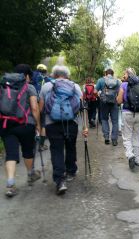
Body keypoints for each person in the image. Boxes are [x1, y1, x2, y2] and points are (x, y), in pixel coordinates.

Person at [39, 65, 88, 195]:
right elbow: (82, 107)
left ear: (54, 75)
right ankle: (71, 171)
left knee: (56, 151)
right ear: (67, 75)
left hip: (52, 124)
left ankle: (60, 181)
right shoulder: (75, 86)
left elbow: (41, 109)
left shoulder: (46, 86)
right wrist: (85, 126)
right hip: (71, 123)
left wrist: (40, 126)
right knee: (71, 146)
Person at [0, 64, 41, 197]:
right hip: (25, 124)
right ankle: (30, 174)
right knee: (28, 150)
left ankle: (11, 184)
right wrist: (38, 125)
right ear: (27, 75)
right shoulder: (29, 87)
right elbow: (34, 108)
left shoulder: (4, 87)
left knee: (11, 153)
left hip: (6, 124)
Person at [117, 68, 139, 170]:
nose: (123, 76)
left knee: (127, 137)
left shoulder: (123, 85)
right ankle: (138, 159)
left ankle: (130, 155)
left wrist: (118, 98)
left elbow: (119, 101)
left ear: (127, 75)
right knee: (137, 136)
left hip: (128, 113)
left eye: (124, 74)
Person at [95, 68, 121, 146]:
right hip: (114, 103)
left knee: (104, 119)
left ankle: (106, 138)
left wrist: (100, 97)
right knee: (115, 121)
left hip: (104, 103)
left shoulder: (101, 80)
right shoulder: (118, 81)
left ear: (105, 73)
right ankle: (114, 140)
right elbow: (120, 93)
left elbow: (95, 91)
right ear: (113, 74)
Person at [32, 64, 53, 152]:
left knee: (33, 122)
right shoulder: (47, 79)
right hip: (42, 102)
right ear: (45, 71)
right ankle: (41, 145)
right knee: (43, 123)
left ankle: (31, 143)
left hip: (31, 101)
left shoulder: (32, 76)